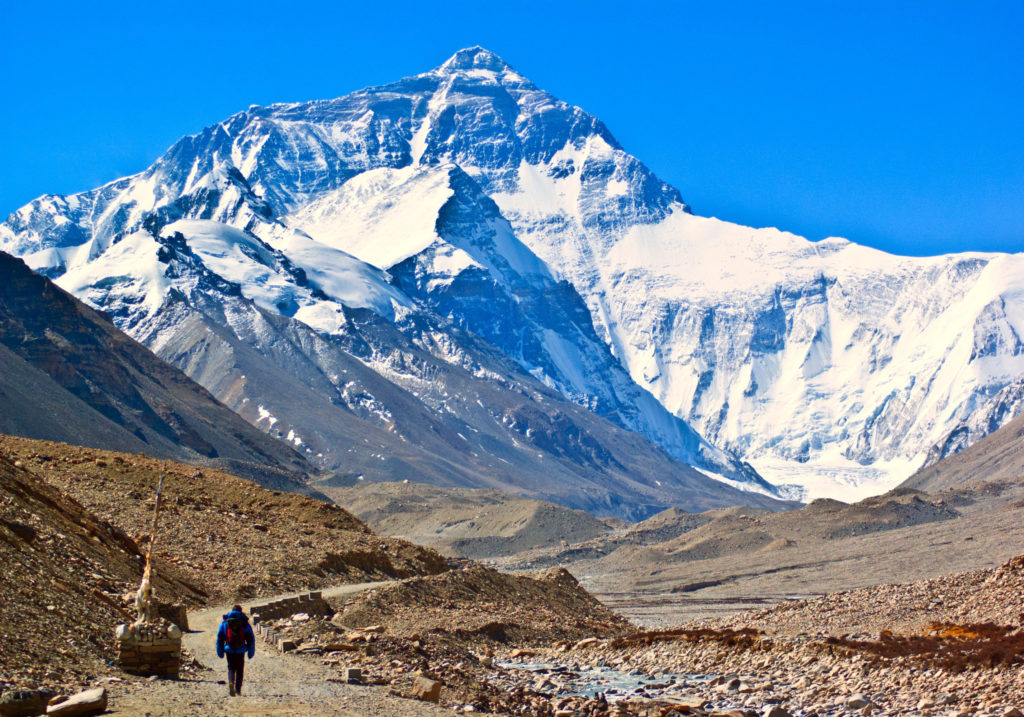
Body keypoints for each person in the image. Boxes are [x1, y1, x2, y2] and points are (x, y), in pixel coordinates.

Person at [216, 604, 255, 696]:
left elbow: (219, 639)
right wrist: (250, 653)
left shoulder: (225, 623)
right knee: (240, 669)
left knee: (231, 667)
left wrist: (220, 653)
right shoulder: (244, 623)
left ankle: (231, 682)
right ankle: (238, 689)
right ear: (240, 611)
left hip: (229, 649)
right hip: (241, 650)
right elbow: (251, 639)